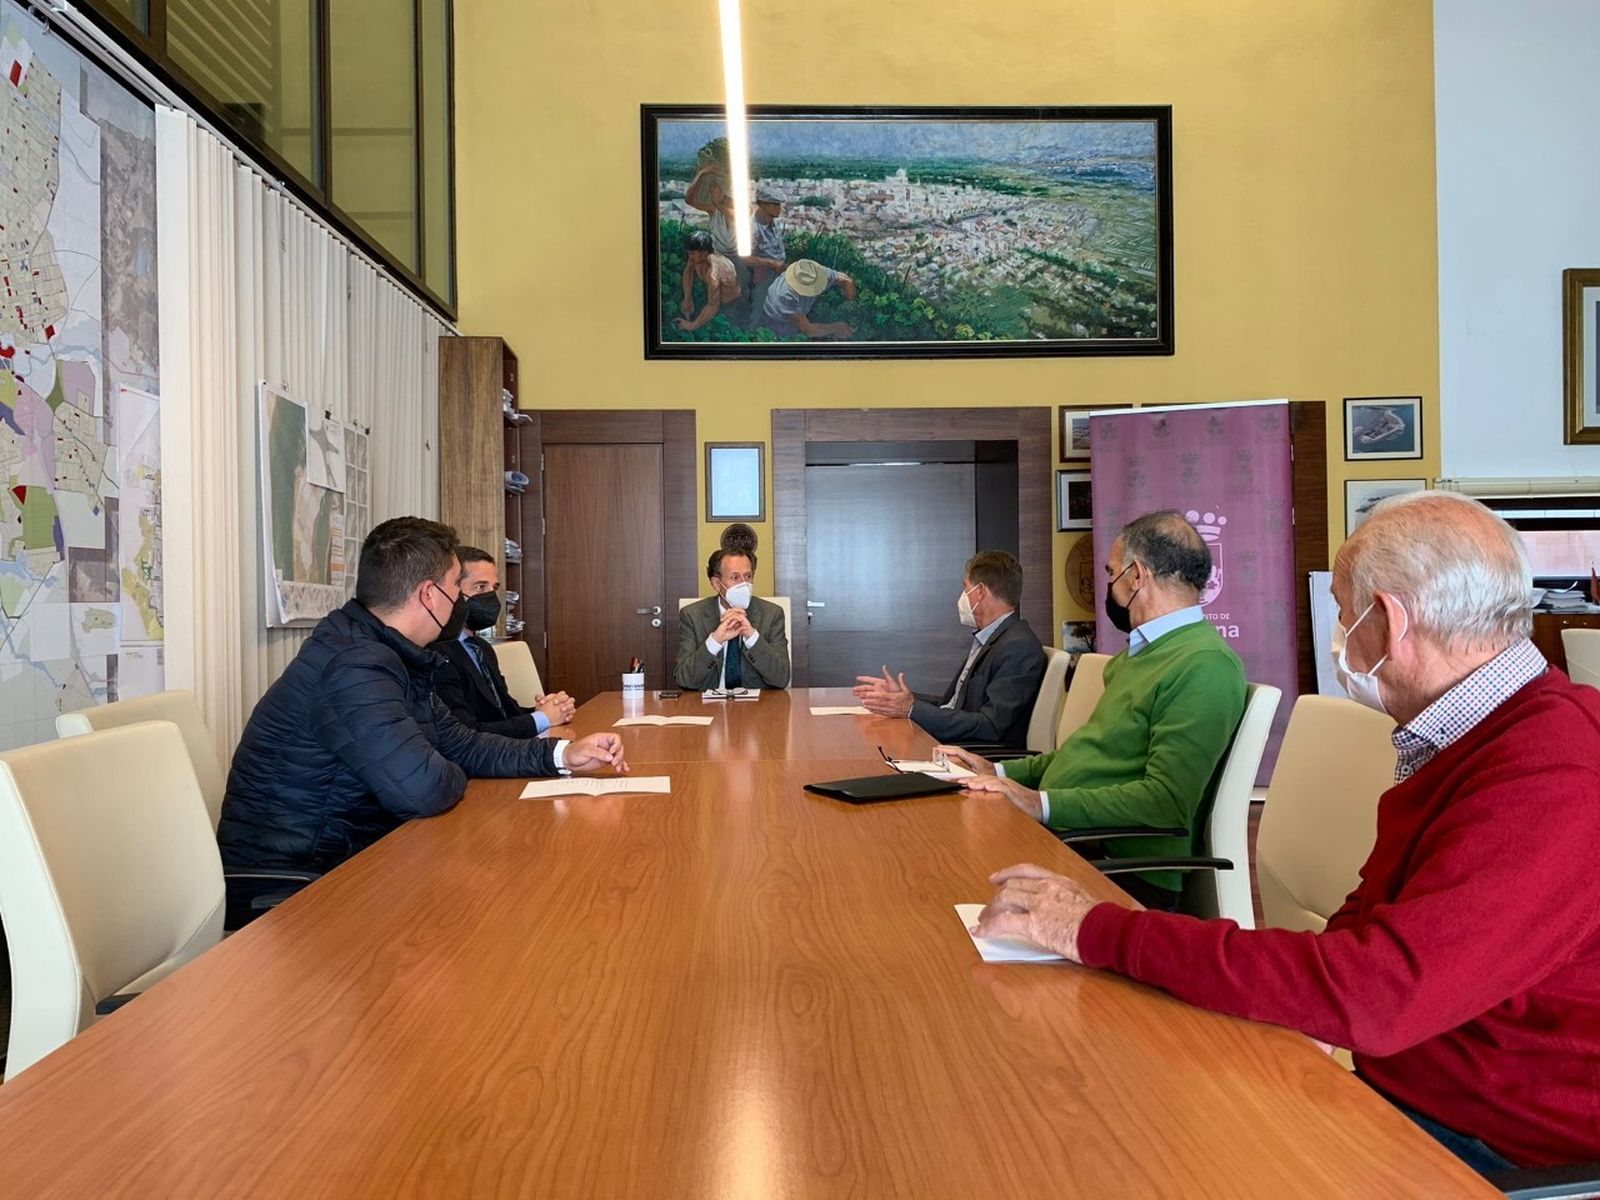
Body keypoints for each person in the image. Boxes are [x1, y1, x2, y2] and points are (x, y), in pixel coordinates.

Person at [973, 492, 1600, 1174]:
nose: (1336, 642)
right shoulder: (1464, 737)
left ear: (1389, 621)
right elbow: (1359, 943)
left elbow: (1377, 993)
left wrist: (1096, 930)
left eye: (1340, 615)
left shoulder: (1554, 769)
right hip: (1403, 1088)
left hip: (1494, 1147)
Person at [219, 518, 627, 886]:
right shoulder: (354, 667)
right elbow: (425, 788)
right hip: (300, 884)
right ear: (429, 595)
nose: (462, 604)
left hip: (360, 856)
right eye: (457, 588)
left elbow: (461, 742)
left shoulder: (391, 652)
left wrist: (563, 755)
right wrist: (444, 762)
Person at [944, 512, 1246, 910]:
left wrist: (1041, 803)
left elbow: (1166, 801)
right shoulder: (1143, 656)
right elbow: (1082, 756)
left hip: (1117, 867)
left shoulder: (1204, 665)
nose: (1108, 587)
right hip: (1074, 840)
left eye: (1111, 573)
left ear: (1136, 576)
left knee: (946, 879)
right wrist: (996, 771)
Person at [854, 550, 1045, 751]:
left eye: (966, 589)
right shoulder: (992, 637)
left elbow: (990, 726)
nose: (962, 597)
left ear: (980, 592)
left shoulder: (1017, 647)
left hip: (975, 754)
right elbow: (953, 704)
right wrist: (903, 698)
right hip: (954, 742)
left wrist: (911, 708)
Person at [431, 544, 575, 737]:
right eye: (481, 587)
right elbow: (466, 733)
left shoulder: (482, 648)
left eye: (494, 588)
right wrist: (542, 719)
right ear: (452, 591)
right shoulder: (437, 653)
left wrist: (548, 711)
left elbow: (505, 713)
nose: (491, 596)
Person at [675, 540, 791, 691]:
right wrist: (715, 640)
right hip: (709, 706)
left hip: (758, 707)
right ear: (716, 583)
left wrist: (752, 636)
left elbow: (781, 679)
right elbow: (683, 680)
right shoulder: (692, 615)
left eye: (748, 576)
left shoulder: (771, 614)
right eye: (735, 578)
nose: (744, 584)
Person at [759, 258, 856, 340]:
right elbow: (807, 330)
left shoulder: (816, 273)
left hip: (798, 312)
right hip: (778, 322)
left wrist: (851, 306)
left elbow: (846, 281)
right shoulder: (784, 295)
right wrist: (836, 328)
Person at [677, 230, 741, 333]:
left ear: (703, 253)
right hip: (712, 297)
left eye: (692, 254)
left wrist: (690, 326)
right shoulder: (697, 258)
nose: (690, 257)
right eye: (689, 253)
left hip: (731, 307)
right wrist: (687, 298)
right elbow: (688, 271)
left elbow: (712, 306)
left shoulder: (714, 272)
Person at [742, 187, 788, 327]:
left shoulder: (773, 224)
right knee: (758, 309)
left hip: (777, 272)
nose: (778, 208)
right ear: (762, 204)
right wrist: (770, 263)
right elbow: (745, 257)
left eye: (778, 204)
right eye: (774, 204)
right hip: (761, 274)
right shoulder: (752, 227)